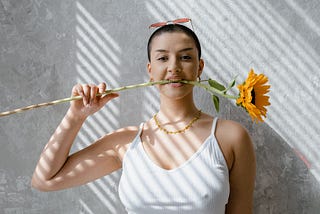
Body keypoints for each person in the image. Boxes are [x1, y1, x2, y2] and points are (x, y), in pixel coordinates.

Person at [31, 20, 256, 214]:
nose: (173, 67)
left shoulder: (231, 137)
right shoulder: (126, 142)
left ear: (200, 67)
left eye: (185, 57)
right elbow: (44, 180)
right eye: (162, 59)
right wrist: (76, 116)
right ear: (149, 70)